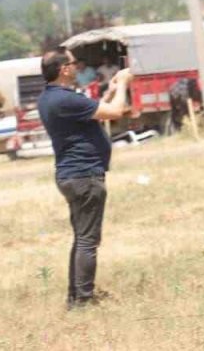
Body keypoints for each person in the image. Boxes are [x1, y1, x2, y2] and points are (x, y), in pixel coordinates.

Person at [38, 48, 134, 309]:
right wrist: (123, 83)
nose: (78, 66)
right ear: (64, 69)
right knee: (88, 240)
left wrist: (112, 90)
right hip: (85, 176)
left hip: (72, 175)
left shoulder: (52, 98)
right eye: (73, 63)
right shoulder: (66, 100)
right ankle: (83, 299)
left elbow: (96, 110)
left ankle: (75, 295)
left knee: (81, 237)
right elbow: (114, 113)